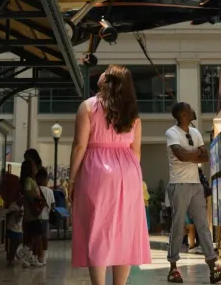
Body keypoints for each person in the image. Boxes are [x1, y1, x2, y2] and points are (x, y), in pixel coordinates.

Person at [69, 65, 150, 285]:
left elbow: (79, 146)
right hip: (128, 171)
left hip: (96, 170)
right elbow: (137, 151)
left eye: (104, 72)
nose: (101, 74)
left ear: (107, 81)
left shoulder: (87, 107)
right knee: (123, 230)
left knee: (97, 229)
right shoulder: (133, 115)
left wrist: (72, 179)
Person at [165, 102, 221, 283]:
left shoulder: (195, 132)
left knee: (203, 226)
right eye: (189, 108)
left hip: (196, 185)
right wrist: (195, 153)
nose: (193, 108)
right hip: (179, 184)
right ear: (183, 115)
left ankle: (213, 269)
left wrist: (190, 154)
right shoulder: (171, 133)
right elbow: (182, 156)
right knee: (178, 226)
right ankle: (173, 269)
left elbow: (206, 156)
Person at [20, 160, 46, 267]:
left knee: (36, 234)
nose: (36, 168)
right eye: (34, 166)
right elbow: (28, 194)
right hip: (31, 211)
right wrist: (38, 198)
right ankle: (23, 251)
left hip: (35, 211)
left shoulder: (32, 180)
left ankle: (29, 255)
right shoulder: (27, 180)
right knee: (35, 234)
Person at [36, 167, 55, 264]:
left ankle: (37, 256)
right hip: (46, 218)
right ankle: (44, 258)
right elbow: (53, 205)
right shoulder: (50, 191)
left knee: (37, 237)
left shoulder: (36, 190)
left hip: (37, 217)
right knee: (45, 238)